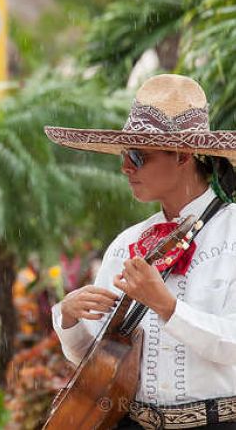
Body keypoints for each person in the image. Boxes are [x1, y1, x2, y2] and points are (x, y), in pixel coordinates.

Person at [45, 74, 236, 429]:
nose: (125, 167)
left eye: (137, 155)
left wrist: (167, 305)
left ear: (182, 155)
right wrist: (69, 321)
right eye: (124, 155)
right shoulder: (126, 243)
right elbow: (100, 360)